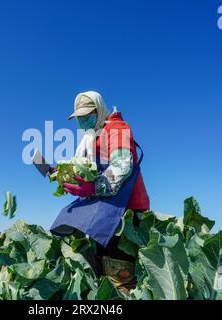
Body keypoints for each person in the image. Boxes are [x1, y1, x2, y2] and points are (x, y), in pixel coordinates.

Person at [50, 91, 150, 295]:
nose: (83, 120)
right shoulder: (92, 137)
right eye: (79, 117)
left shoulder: (117, 129)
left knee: (120, 277)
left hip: (126, 213)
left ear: (100, 109)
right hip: (104, 212)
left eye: (88, 114)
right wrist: (63, 174)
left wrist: (93, 187)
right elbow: (86, 169)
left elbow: (122, 166)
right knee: (102, 273)